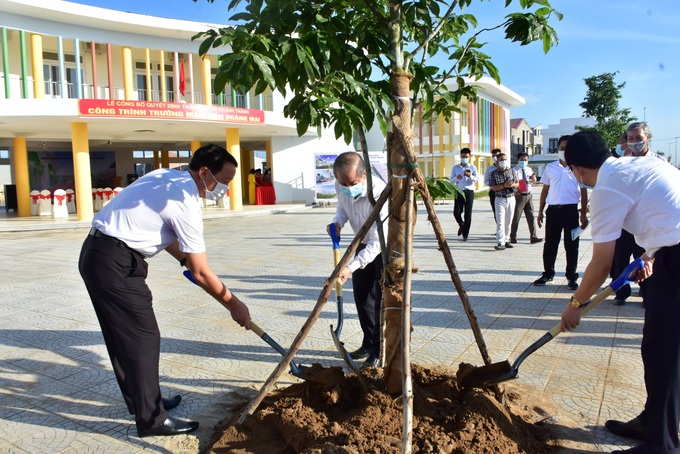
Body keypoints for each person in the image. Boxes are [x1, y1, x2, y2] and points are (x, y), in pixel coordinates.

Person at [78, 144, 251, 438]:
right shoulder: (183, 199)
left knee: (123, 336)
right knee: (143, 337)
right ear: (204, 172)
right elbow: (202, 272)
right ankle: (152, 420)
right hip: (116, 263)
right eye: (223, 181)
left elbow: (167, 234)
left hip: (98, 253)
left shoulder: (165, 177)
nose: (225, 189)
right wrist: (235, 304)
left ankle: (145, 401)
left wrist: (184, 258)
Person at [559, 130, 680, 454]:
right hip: (668, 255)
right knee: (657, 349)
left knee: (666, 354)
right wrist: (649, 254)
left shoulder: (607, 188)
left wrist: (575, 304)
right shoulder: (637, 166)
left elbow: (601, 263)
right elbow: (666, 211)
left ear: (578, 170)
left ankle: (661, 445)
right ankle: (653, 422)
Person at [328, 152, 387, 370]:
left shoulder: (378, 193)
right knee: (363, 298)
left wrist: (350, 267)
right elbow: (343, 208)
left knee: (381, 301)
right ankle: (368, 342)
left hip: (384, 247)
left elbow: (377, 244)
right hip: (363, 243)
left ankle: (379, 349)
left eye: (351, 183)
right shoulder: (341, 186)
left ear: (364, 175)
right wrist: (337, 223)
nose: (347, 187)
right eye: (342, 183)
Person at [610, 123, 667, 306]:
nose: (634, 142)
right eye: (631, 139)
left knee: (645, 258)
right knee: (620, 257)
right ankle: (621, 292)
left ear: (647, 138)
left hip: (649, 222)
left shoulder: (660, 162)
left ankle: (647, 292)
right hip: (625, 220)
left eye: (638, 138)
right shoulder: (622, 164)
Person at [533, 135, 589, 290]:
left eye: (567, 148)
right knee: (550, 243)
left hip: (571, 212)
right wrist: (540, 212)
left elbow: (584, 192)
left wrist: (583, 213)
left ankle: (571, 277)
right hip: (553, 212)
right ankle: (547, 273)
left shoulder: (578, 168)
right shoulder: (550, 168)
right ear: (558, 149)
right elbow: (545, 190)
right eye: (561, 148)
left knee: (572, 245)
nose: (564, 151)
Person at [510, 152, 543, 244]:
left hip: (528, 195)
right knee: (516, 216)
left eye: (525, 160)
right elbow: (511, 182)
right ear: (518, 160)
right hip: (519, 196)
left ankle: (533, 236)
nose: (523, 162)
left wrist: (534, 178)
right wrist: (514, 191)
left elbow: (533, 181)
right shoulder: (514, 170)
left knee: (531, 216)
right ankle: (513, 236)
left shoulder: (528, 169)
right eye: (521, 160)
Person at [489, 152, 517, 250]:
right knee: (500, 221)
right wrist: (504, 185)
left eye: (505, 159)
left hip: (511, 198)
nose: (503, 161)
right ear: (497, 161)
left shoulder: (512, 171)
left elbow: (518, 184)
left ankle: (507, 239)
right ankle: (500, 242)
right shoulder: (493, 173)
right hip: (500, 198)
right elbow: (494, 188)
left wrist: (512, 185)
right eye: (501, 160)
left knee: (509, 220)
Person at [450, 148, 479, 241]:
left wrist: (470, 176)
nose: (464, 158)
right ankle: (462, 225)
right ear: (460, 156)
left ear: (469, 157)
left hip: (469, 191)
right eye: (463, 157)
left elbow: (477, 179)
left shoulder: (473, 168)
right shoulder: (455, 168)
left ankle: (465, 234)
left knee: (468, 214)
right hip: (459, 191)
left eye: (466, 157)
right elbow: (451, 180)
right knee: (456, 212)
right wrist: (456, 178)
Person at [484, 148, 501, 222]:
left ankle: (505, 230)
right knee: (496, 211)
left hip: (504, 191)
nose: (495, 158)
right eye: (493, 156)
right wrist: (493, 183)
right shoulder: (489, 169)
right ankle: (499, 229)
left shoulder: (505, 167)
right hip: (493, 191)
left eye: (497, 156)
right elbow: (486, 181)